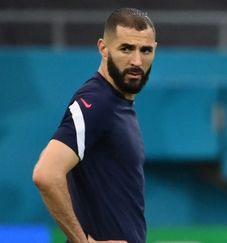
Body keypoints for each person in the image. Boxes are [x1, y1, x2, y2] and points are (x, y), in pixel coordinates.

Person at [32, 8, 157, 243]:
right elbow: (46, 174)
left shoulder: (118, 102)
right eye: (126, 48)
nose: (137, 61)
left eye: (145, 50)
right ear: (103, 48)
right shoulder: (97, 102)